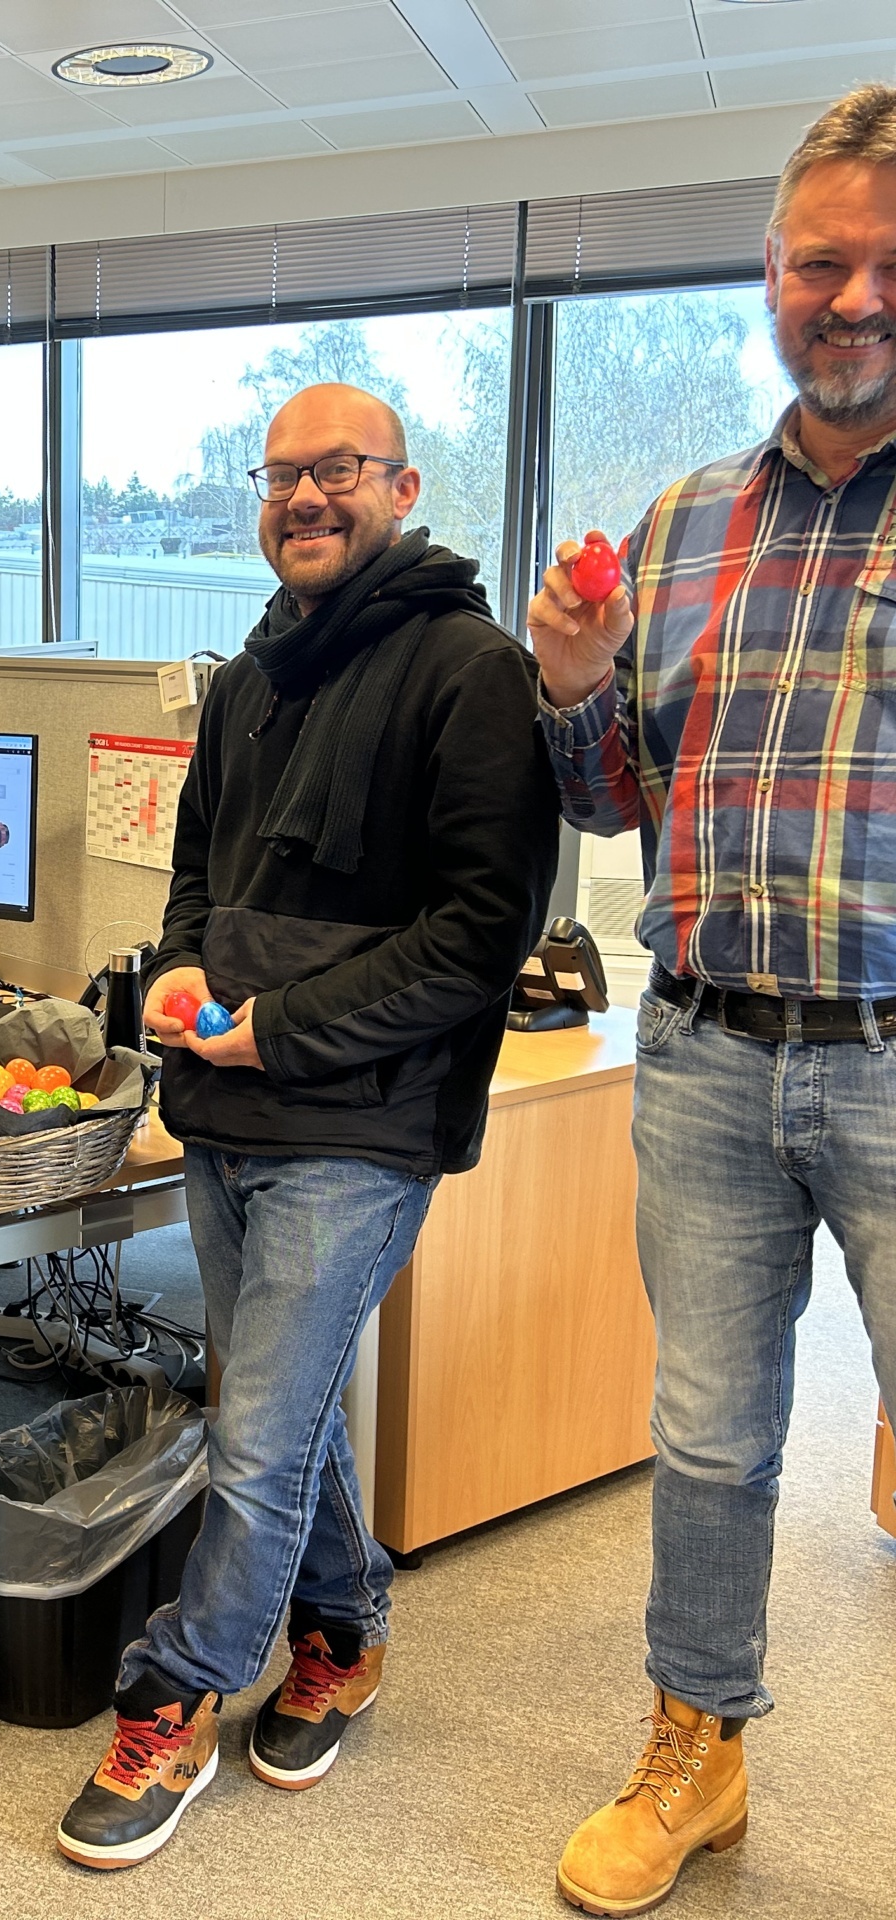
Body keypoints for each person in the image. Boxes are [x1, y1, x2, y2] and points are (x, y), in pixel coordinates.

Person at [56, 383, 560, 1871]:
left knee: (256, 1429)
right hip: (228, 1101)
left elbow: (480, 936)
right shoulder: (251, 673)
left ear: (402, 486)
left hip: (365, 1119)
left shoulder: (474, 671)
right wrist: (183, 970)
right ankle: (343, 1630)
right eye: (278, 476)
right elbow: (198, 876)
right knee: (285, 1408)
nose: (303, 498)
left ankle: (178, 1699)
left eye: (336, 469)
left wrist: (282, 1024)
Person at [533, 85, 896, 1918]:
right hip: (704, 1051)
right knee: (709, 1437)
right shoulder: (685, 522)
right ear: (769, 272)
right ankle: (700, 1748)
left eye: (890, 266)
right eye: (823, 262)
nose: (857, 298)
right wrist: (570, 686)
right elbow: (613, 798)